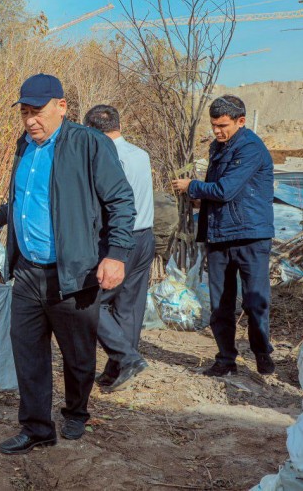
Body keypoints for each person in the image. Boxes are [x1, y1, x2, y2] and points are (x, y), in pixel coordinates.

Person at [0, 74, 136, 454]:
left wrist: (116, 255)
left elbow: (120, 202)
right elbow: (28, 196)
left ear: (61, 107)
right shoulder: (25, 146)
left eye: (38, 112)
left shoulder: (89, 144)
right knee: (27, 352)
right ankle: (36, 428)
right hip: (28, 270)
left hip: (74, 272)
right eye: (26, 113)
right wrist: (0, 218)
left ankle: (76, 412)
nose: (31, 121)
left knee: (78, 355)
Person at [172, 95, 275, 377]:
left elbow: (226, 189)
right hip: (219, 235)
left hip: (250, 235)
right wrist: (199, 201)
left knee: (254, 301)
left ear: (241, 121)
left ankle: (261, 351)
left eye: (223, 125)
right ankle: (226, 359)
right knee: (220, 304)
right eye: (214, 125)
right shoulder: (218, 147)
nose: (217, 130)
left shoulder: (251, 148)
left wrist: (192, 186)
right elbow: (219, 191)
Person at [83, 105, 155, 391]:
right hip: (144, 236)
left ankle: (126, 358)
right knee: (129, 307)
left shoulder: (104, 155)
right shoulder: (140, 154)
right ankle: (118, 369)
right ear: (118, 125)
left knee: (90, 300)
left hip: (118, 238)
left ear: (90, 130)